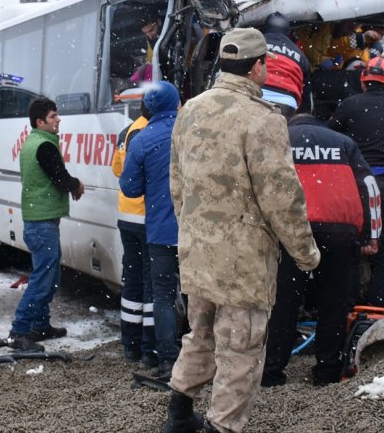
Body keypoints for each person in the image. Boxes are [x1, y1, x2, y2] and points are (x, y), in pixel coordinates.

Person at [164, 28, 320, 433]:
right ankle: (223, 426)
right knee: (241, 346)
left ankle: (179, 415)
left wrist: (194, 230)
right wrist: (306, 253)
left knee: (199, 333)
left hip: (198, 251)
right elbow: (282, 197)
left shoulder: (190, 110)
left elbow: (177, 183)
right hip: (243, 260)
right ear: (257, 67)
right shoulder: (262, 119)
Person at [262, 112, 381, 388]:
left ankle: (272, 371)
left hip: (292, 229)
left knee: (283, 302)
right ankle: (327, 371)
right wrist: (370, 235)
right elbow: (370, 187)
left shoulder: (279, 140)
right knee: (334, 302)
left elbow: (260, 183)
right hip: (340, 230)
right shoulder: (343, 142)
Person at [328, 56, 384, 309]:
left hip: (359, 187)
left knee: (352, 250)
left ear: (364, 81)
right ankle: (379, 312)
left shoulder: (349, 105)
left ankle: (349, 311)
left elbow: (331, 136)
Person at [9, 96, 85, 350]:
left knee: (49, 275)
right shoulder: (44, 145)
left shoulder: (33, 142)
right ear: (40, 121)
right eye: (53, 116)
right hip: (41, 222)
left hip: (37, 219)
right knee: (44, 278)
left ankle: (40, 324)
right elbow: (59, 177)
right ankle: (19, 330)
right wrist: (75, 185)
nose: (58, 119)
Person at [120, 81, 180, 377]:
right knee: (201, 295)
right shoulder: (195, 132)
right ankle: (203, 356)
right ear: (177, 104)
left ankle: (169, 359)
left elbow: (129, 188)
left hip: (161, 232)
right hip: (198, 230)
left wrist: (154, 186)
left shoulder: (142, 139)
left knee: (163, 295)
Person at [111, 103, 157, 368]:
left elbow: (118, 170)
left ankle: (130, 342)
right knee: (152, 283)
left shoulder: (127, 131)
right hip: (146, 217)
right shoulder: (154, 131)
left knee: (132, 279)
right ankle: (149, 345)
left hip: (126, 217)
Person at [262, 12, 312, 118]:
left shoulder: (257, 42)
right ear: (288, 32)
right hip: (287, 102)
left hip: (258, 95)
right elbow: (306, 92)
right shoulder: (300, 54)